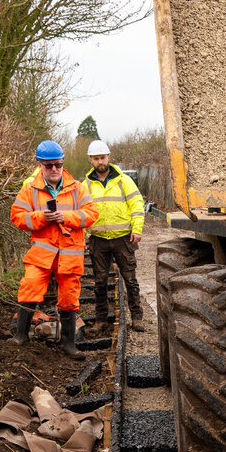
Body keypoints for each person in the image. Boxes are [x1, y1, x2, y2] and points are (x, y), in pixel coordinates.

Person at [11, 140, 99, 356]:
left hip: (69, 254)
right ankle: (20, 337)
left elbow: (92, 214)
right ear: (40, 165)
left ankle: (69, 345)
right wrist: (41, 217)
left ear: (62, 163)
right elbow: (17, 216)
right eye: (49, 165)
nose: (54, 169)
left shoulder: (77, 188)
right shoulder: (30, 189)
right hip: (42, 253)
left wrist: (65, 216)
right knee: (29, 287)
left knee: (69, 298)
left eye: (58, 165)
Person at [82, 139, 147, 326]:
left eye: (102, 157)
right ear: (90, 160)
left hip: (123, 239)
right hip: (98, 240)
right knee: (100, 282)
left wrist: (137, 230)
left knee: (130, 279)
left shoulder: (124, 181)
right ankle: (101, 320)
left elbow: (137, 205)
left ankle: (137, 318)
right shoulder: (85, 185)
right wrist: (82, 236)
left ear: (109, 157)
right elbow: (81, 212)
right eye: (96, 158)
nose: (100, 162)